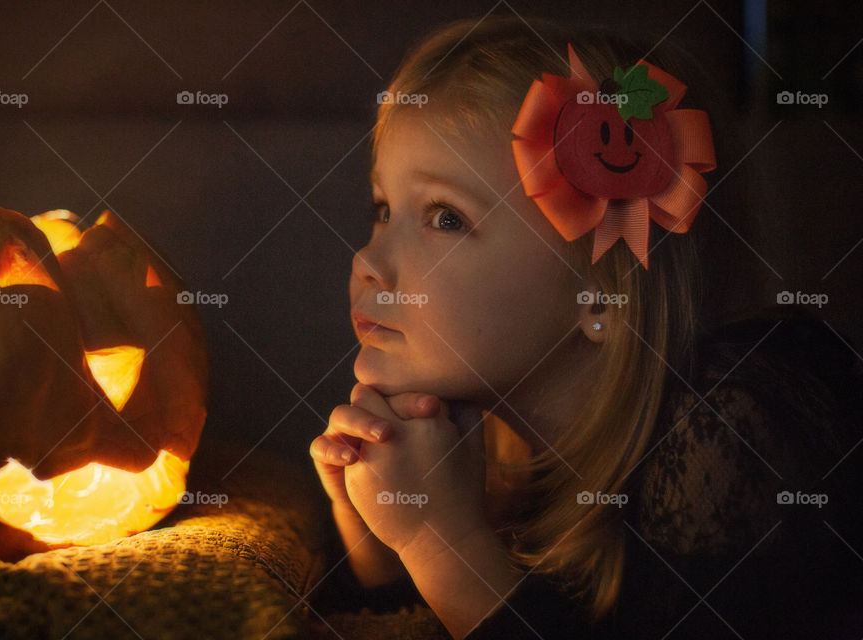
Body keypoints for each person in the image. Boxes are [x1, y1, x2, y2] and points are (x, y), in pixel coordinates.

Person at [310, 15, 863, 639]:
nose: (369, 262)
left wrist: (444, 544)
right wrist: (384, 547)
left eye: (444, 219)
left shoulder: (732, 428)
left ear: (599, 297)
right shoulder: (521, 471)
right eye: (383, 210)